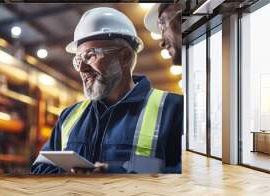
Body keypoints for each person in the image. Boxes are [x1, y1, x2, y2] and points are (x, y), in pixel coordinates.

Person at [31, 7, 183, 174]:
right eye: (78, 60)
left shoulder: (173, 109)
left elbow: (190, 174)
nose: (81, 68)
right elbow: (39, 168)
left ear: (124, 57)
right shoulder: (69, 116)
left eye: (90, 55)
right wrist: (70, 178)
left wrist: (117, 174)